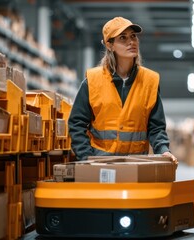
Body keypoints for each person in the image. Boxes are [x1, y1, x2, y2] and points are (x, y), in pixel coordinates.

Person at [68, 16, 177, 163]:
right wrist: (86, 157)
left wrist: (164, 150)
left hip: (136, 163)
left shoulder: (150, 81)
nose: (131, 42)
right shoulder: (93, 81)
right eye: (123, 38)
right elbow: (76, 124)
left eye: (133, 36)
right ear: (109, 45)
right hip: (100, 163)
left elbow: (156, 128)